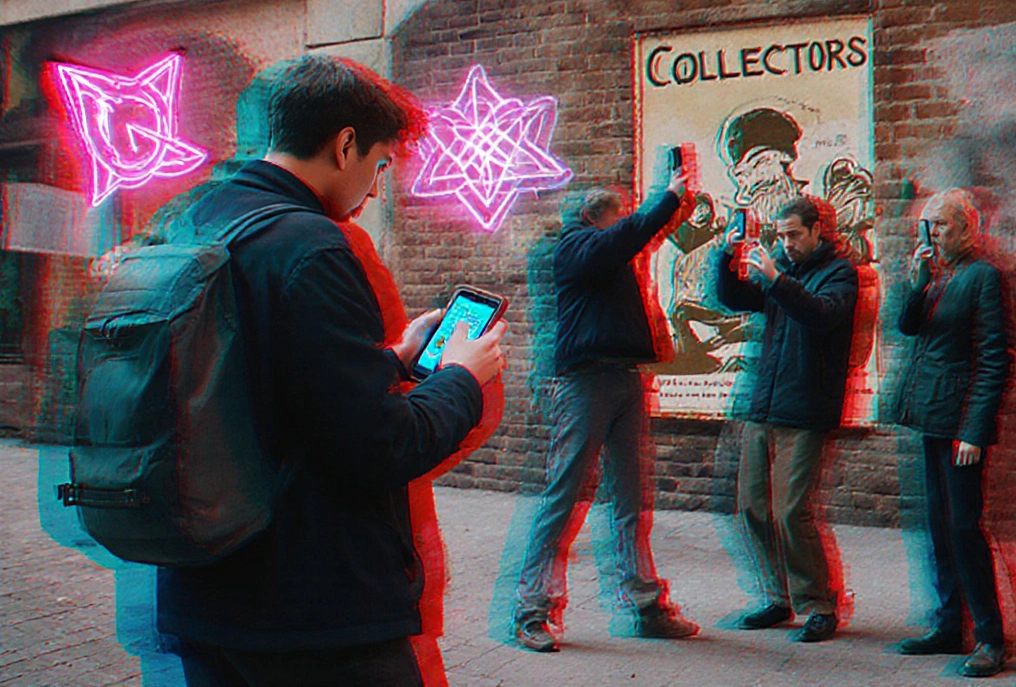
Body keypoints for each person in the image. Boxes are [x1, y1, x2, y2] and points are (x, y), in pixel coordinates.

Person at [157, 55, 507, 687]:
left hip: (204, 588)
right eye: (380, 165)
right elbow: (382, 444)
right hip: (313, 610)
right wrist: (461, 376)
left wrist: (391, 359)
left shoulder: (193, 220)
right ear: (345, 145)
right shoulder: (312, 245)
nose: (374, 191)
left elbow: (260, 384)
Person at [512, 172, 700, 653]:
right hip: (585, 383)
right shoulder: (576, 247)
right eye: (619, 216)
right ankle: (532, 611)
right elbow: (625, 237)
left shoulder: (605, 253)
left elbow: (628, 240)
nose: (624, 225)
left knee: (631, 498)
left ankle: (645, 605)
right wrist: (668, 198)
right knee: (564, 496)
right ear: (596, 217)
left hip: (623, 379)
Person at [715, 195, 858, 643]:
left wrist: (776, 278)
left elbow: (821, 315)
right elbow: (734, 298)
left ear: (817, 230)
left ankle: (819, 604)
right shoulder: (784, 271)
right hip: (766, 404)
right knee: (752, 507)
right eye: (782, 236)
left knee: (791, 511)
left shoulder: (839, 274)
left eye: (795, 235)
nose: (787, 243)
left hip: (806, 407)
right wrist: (726, 257)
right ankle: (778, 597)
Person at [886, 188, 1011, 678]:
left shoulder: (983, 277)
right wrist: (917, 284)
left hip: (960, 425)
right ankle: (947, 624)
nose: (932, 234)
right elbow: (908, 327)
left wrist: (974, 430)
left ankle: (990, 637)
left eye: (939, 224)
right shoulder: (936, 275)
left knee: (963, 527)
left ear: (967, 227)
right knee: (938, 525)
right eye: (928, 225)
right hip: (932, 419)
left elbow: (994, 359)